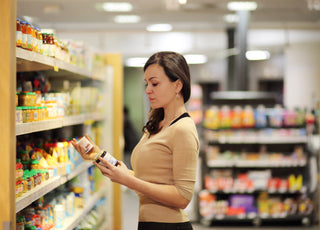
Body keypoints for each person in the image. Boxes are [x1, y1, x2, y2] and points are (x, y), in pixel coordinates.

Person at [71, 51, 199, 230]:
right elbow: (149, 179)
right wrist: (97, 155)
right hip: (149, 224)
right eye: (147, 83)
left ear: (177, 85)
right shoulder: (158, 124)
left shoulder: (183, 129)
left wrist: (127, 180)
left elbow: (182, 198)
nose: (148, 90)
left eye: (154, 83)